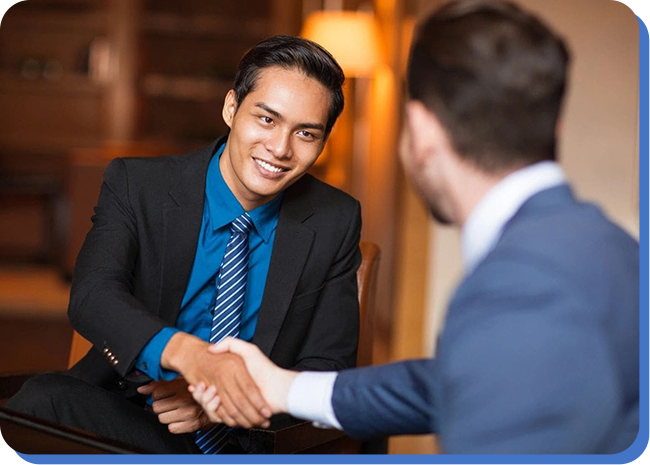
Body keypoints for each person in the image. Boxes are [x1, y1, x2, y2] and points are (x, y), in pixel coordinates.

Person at [191, 0, 639, 454]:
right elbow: (451, 381)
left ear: (421, 131)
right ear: (554, 127)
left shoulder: (521, 286)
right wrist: (283, 389)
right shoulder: (613, 249)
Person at [6, 35, 362, 454]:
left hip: (249, 439)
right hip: (135, 415)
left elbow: (327, 370)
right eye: (266, 119)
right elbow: (93, 296)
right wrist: (192, 358)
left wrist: (222, 403)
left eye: (305, 133)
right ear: (231, 108)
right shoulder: (139, 186)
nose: (280, 149)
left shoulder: (335, 218)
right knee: (40, 402)